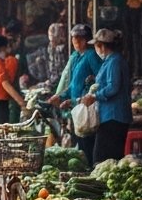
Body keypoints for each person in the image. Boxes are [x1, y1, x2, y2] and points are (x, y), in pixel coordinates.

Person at [50, 24, 102, 160]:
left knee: (87, 144)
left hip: (87, 107)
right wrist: (60, 96)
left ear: (86, 40)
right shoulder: (76, 57)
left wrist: (90, 84)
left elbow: (100, 79)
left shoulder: (91, 55)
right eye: (74, 39)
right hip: (76, 108)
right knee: (79, 143)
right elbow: (73, 84)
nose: (76, 42)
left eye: (79, 39)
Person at [82, 28, 132, 164]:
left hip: (114, 116)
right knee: (109, 159)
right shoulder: (110, 61)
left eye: (97, 46)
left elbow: (113, 87)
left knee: (101, 158)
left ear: (102, 46)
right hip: (109, 116)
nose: (96, 50)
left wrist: (95, 96)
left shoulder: (115, 61)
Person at [0, 34, 26, 125]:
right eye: (6, 46)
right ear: (1, 48)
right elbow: (6, 85)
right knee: (1, 134)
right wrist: (21, 102)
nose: (7, 49)